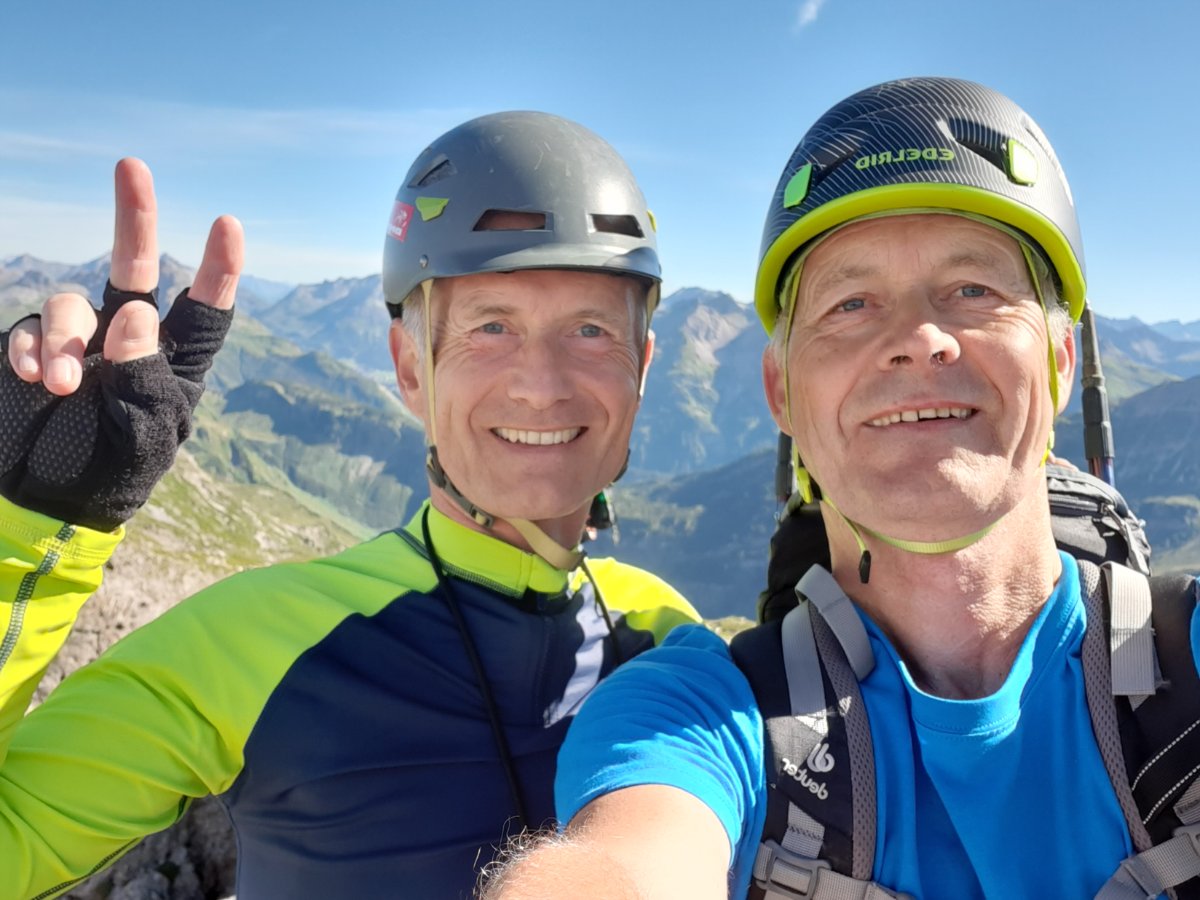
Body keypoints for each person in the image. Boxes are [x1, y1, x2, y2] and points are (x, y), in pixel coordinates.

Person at [480, 78, 1200, 899]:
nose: (920, 339)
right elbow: (623, 865)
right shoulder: (695, 717)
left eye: (974, 290)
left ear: (1060, 361)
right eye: (851, 303)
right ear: (781, 392)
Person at [0, 112, 698, 899]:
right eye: (492, 326)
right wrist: (33, 526)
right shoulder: (254, 641)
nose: (541, 384)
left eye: (591, 330)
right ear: (410, 367)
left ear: (642, 367)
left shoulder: (673, 639)